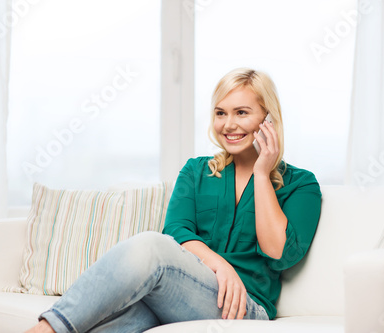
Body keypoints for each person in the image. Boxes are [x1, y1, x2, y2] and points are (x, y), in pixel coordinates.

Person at [26, 68, 321, 333]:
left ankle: (46, 329)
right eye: (220, 113)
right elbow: (178, 231)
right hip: (180, 294)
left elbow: (278, 251)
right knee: (109, 323)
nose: (229, 124)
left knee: (151, 246)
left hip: (243, 308)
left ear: (268, 118)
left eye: (241, 112)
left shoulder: (301, 183)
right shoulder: (196, 170)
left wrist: (261, 173)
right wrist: (221, 265)